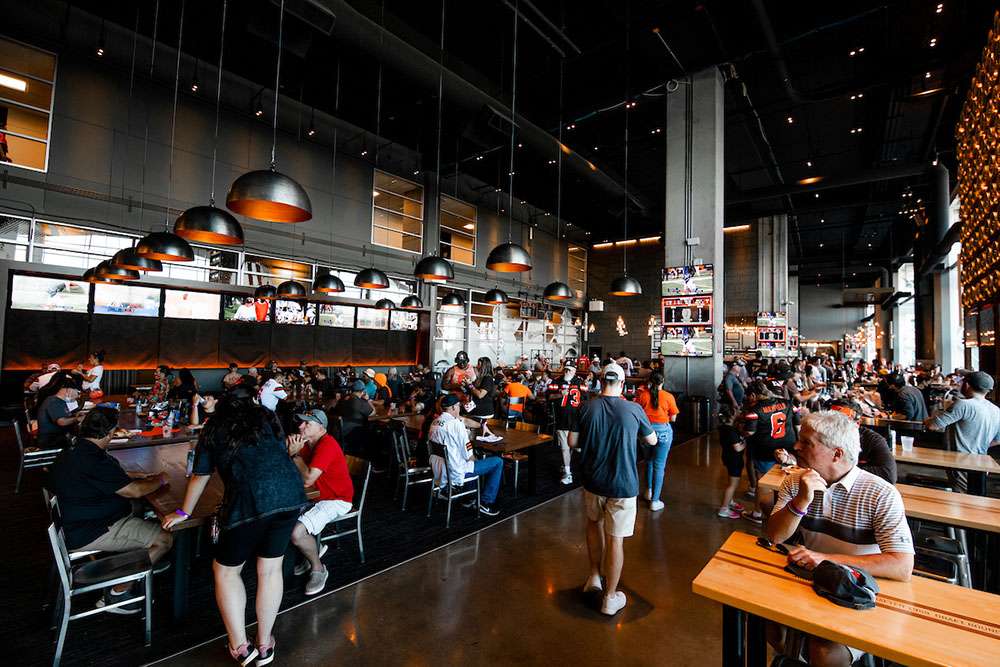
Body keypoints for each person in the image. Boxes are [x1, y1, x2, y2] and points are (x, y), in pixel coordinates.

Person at [163, 387, 307, 665]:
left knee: (227, 572)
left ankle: (241, 647)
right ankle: (264, 644)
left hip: (249, 501)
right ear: (252, 401)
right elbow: (278, 453)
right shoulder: (267, 417)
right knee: (270, 568)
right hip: (289, 494)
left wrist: (183, 511)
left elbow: (200, 475)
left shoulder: (214, 427)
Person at [766, 411, 914, 667]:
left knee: (824, 649)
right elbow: (775, 536)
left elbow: (901, 566)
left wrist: (824, 559)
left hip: (857, 592)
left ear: (837, 454)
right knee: (764, 620)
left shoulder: (880, 493)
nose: (796, 446)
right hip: (809, 585)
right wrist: (801, 500)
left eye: (807, 443)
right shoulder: (794, 481)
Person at [48, 407, 174, 613]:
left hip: (76, 518)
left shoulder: (77, 448)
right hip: (89, 530)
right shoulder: (94, 459)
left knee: (140, 509)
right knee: (165, 539)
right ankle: (117, 593)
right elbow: (133, 491)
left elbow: (113, 477)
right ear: (110, 433)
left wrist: (142, 477)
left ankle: (141, 562)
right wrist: (160, 479)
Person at [568, 363, 656, 616]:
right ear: (622, 383)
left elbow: (573, 442)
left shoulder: (586, 407)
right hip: (623, 483)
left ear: (600, 380)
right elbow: (651, 440)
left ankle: (594, 577)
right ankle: (609, 597)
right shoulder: (633, 408)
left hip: (593, 480)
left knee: (593, 525)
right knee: (616, 539)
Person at [287, 409, 353, 596]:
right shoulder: (308, 443)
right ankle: (313, 550)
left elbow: (307, 479)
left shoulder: (327, 445)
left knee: (296, 533)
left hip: (336, 499)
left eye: (307, 423)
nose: (301, 426)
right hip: (316, 496)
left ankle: (318, 567)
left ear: (321, 427)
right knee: (280, 516)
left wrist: (294, 455)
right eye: (301, 422)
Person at [924, 371, 1000, 493]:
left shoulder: (963, 404)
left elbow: (933, 425)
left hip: (961, 462)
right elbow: (997, 440)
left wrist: (927, 420)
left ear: (967, 385)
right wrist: (977, 444)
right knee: (975, 497)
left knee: (962, 500)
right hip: (982, 462)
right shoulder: (996, 410)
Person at [428, 394, 502, 516]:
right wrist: (478, 462)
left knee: (469, 460)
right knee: (497, 462)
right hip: (455, 471)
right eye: (458, 406)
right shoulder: (456, 424)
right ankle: (485, 502)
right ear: (452, 408)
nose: (459, 409)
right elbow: (469, 455)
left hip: (439, 469)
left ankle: (468, 497)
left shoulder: (435, 422)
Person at [739, 380, 799, 524]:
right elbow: (798, 424)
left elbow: (750, 432)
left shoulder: (754, 411)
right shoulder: (788, 403)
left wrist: (739, 429)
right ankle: (783, 513)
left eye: (749, 396)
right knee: (785, 482)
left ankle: (758, 513)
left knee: (764, 484)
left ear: (753, 395)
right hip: (787, 450)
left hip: (765, 451)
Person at [635, 372, 679, 511]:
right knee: (659, 466)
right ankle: (655, 501)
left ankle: (648, 491)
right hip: (663, 433)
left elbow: (638, 412)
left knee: (648, 461)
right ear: (663, 382)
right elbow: (673, 419)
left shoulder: (643, 395)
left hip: (646, 432)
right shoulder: (668, 396)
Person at [828, 400, 897, 484]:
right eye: (830, 420)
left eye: (843, 422)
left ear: (857, 423)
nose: (835, 425)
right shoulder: (819, 435)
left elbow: (888, 475)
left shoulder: (872, 440)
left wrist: (841, 467)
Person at [547, 362, 586, 485]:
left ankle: (567, 465)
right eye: (565, 369)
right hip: (562, 418)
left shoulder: (580, 382)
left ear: (574, 371)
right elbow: (548, 396)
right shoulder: (556, 381)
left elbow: (586, 399)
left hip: (576, 418)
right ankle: (568, 473)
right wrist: (559, 394)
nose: (567, 372)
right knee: (565, 447)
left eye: (569, 370)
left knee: (574, 446)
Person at [36, 372, 85, 449]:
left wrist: (75, 415)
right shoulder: (53, 401)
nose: (78, 396)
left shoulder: (60, 401)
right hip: (51, 442)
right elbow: (61, 421)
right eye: (78, 392)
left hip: (58, 438)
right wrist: (77, 419)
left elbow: (65, 415)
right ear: (69, 390)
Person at [716, 406, 746, 519]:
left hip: (728, 457)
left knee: (730, 482)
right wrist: (745, 443)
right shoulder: (731, 431)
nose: (740, 412)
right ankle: (724, 509)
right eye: (737, 411)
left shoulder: (724, 428)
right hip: (734, 459)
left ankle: (730, 501)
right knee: (732, 485)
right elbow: (737, 448)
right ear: (733, 415)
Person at [334, 380, 375, 456]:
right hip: (352, 434)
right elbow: (372, 413)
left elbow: (335, 410)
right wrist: (368, 400)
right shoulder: (359, 402)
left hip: (339, 433)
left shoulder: (343, 399)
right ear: (363, 392)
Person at [463, 357, 499, 439]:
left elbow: (480, 395)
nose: (477, 366)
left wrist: (470, 385)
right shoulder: (480, 379)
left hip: (483, 412)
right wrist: (466, 386)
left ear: (484, 366)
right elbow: (473, 391)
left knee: (464, 423)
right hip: (477, 410)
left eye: (479, 364)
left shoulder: (488, 379)